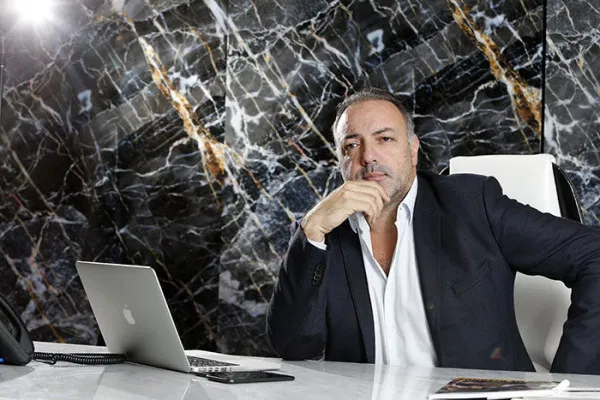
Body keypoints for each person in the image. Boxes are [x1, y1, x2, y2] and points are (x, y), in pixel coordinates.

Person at [266, 88, 600, 374]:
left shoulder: (472, 205)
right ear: (340, 159)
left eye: (385, 139)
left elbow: (594, 255)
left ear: (413, 149)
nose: (368, 157)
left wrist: (572, 383)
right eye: (351, 145)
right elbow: (294, 347)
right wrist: (311, 233)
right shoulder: (323, 235)